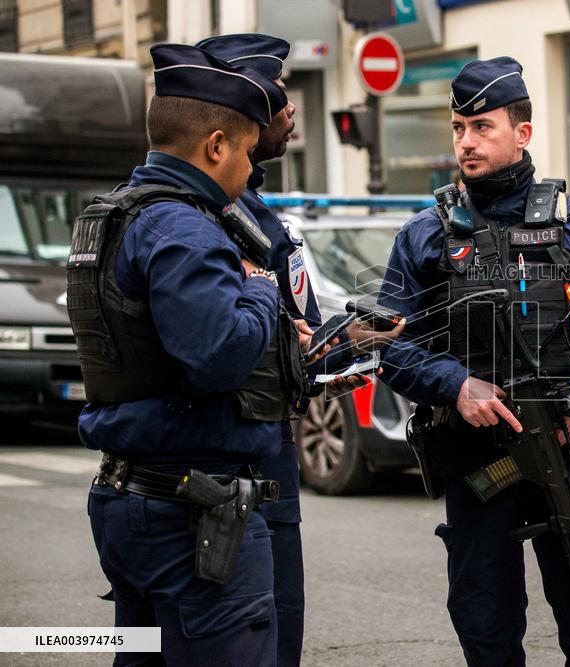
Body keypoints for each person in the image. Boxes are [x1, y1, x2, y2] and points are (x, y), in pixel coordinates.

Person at [376, 56, 570, 665]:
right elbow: (389, 345)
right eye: (458, 128)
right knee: (486, 628)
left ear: (522, 133)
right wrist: (455, 386)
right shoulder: (425, 234)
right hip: (478, 463)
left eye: (483, 127)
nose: (466, 142)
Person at [69, 44, 292, 664]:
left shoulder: (112, 217)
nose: (251, 169)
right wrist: (259, 290)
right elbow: (219, 356)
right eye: (247, 152)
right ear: (216, 146)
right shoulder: (188, 229)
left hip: (129, 497)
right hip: (192, 510)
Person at [196, 33, 405, 666]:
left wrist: (350, 345)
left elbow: (303, 340)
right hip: (225, 465)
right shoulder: (204, 221)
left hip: (269, 461)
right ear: (240, 122)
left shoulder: (263, 221)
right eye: (278, 105)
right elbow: (218, 349)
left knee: (275, 635)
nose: (290, 118)